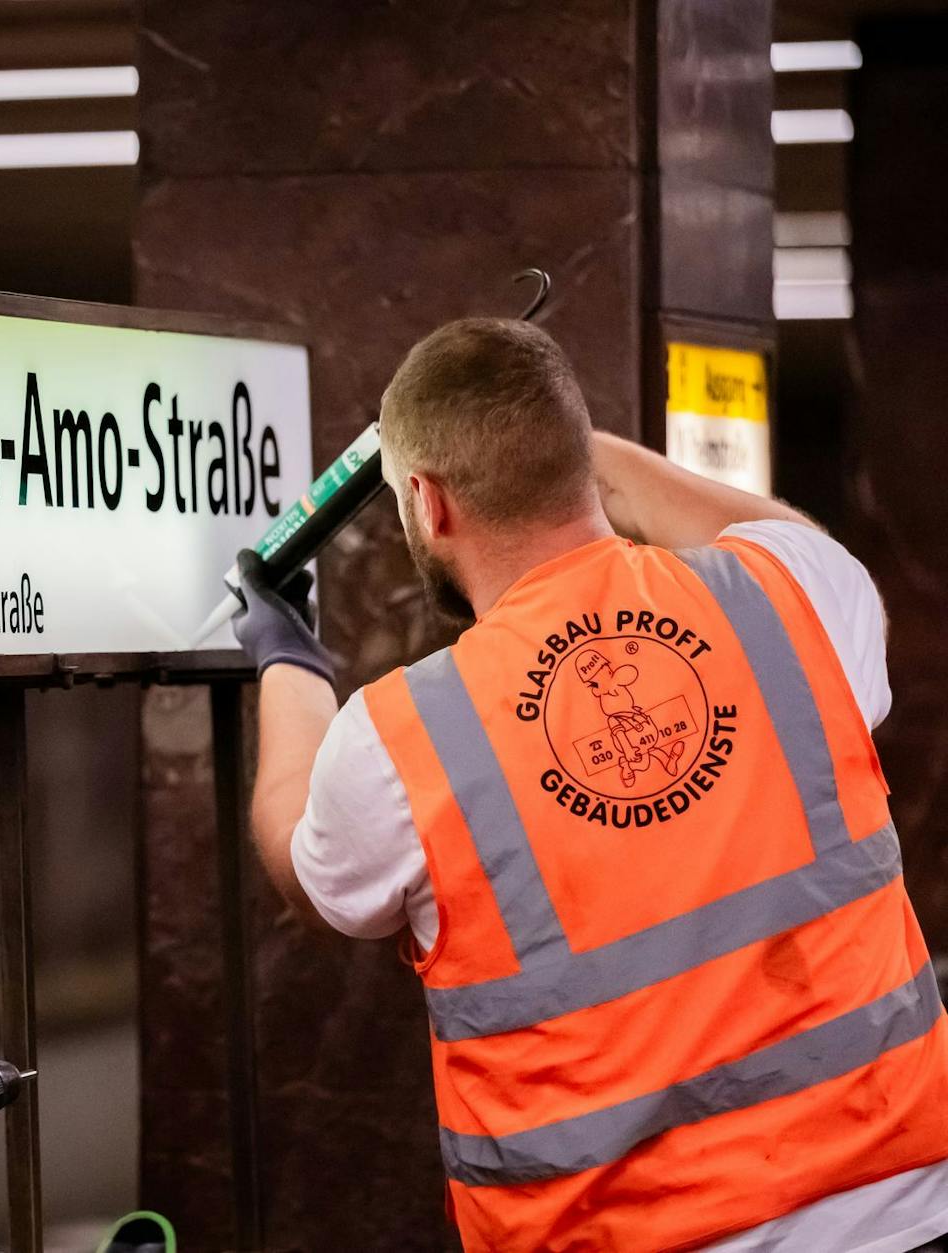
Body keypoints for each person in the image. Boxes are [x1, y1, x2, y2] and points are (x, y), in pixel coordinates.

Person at [232, 318, 948, 1253]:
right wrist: (581, 450)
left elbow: (302, 862)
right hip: (903, 1213)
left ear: (427, 502)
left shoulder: (402, 737)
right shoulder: (785, 597)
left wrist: (285, 653)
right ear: (576, 460)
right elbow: (790, 539)